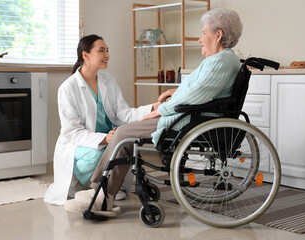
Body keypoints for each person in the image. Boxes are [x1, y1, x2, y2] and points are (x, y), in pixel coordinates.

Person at [64, 8, 243, 216]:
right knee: (127, 136)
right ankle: (103, 194)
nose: (200, 38)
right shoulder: (220, 60)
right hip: (188, 115)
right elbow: (199, 89)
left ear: (218, 35)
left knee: (123, 133)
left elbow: (196, 96)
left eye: (204, 33)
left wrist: (159, 111)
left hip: (186, 119)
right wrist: (172, 92)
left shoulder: (221, 61)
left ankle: (99, 193)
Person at [44, 34, 162, 205]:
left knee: (121, 148)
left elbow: (124, 113)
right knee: (105, 154)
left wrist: (153, 107)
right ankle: (91, 187)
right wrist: (104, 138)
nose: (107, 55)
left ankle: (104, 188)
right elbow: (71, 132)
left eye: (107, 50)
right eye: (102, 51)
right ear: (85, 55)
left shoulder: (108, 81)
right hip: (80, 144)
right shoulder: (68, 88)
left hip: (109, 139)